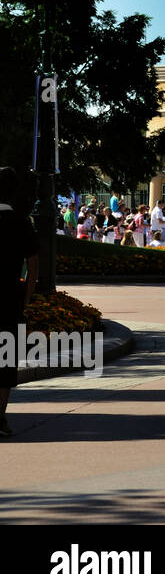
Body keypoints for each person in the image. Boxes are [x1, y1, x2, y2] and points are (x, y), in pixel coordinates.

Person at [0, 167, 39, 437]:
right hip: (9, 300)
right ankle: (0, 419)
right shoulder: (22, 222)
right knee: (5, 361)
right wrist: (25, 299)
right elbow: (33, 266)